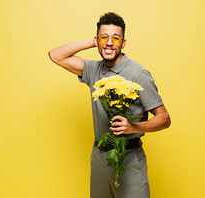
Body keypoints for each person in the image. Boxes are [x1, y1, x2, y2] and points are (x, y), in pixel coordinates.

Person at [48, 12, 171, 198]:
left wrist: (133, 127)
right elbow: (55, 55)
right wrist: (94, 41)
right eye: (104, 37)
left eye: (116, 38)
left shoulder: (138, 74)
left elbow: (165, 118)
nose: (110, 43)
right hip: (99, 156)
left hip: (129, 158)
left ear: (123, 43)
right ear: (98, 39)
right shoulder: (93, 69)